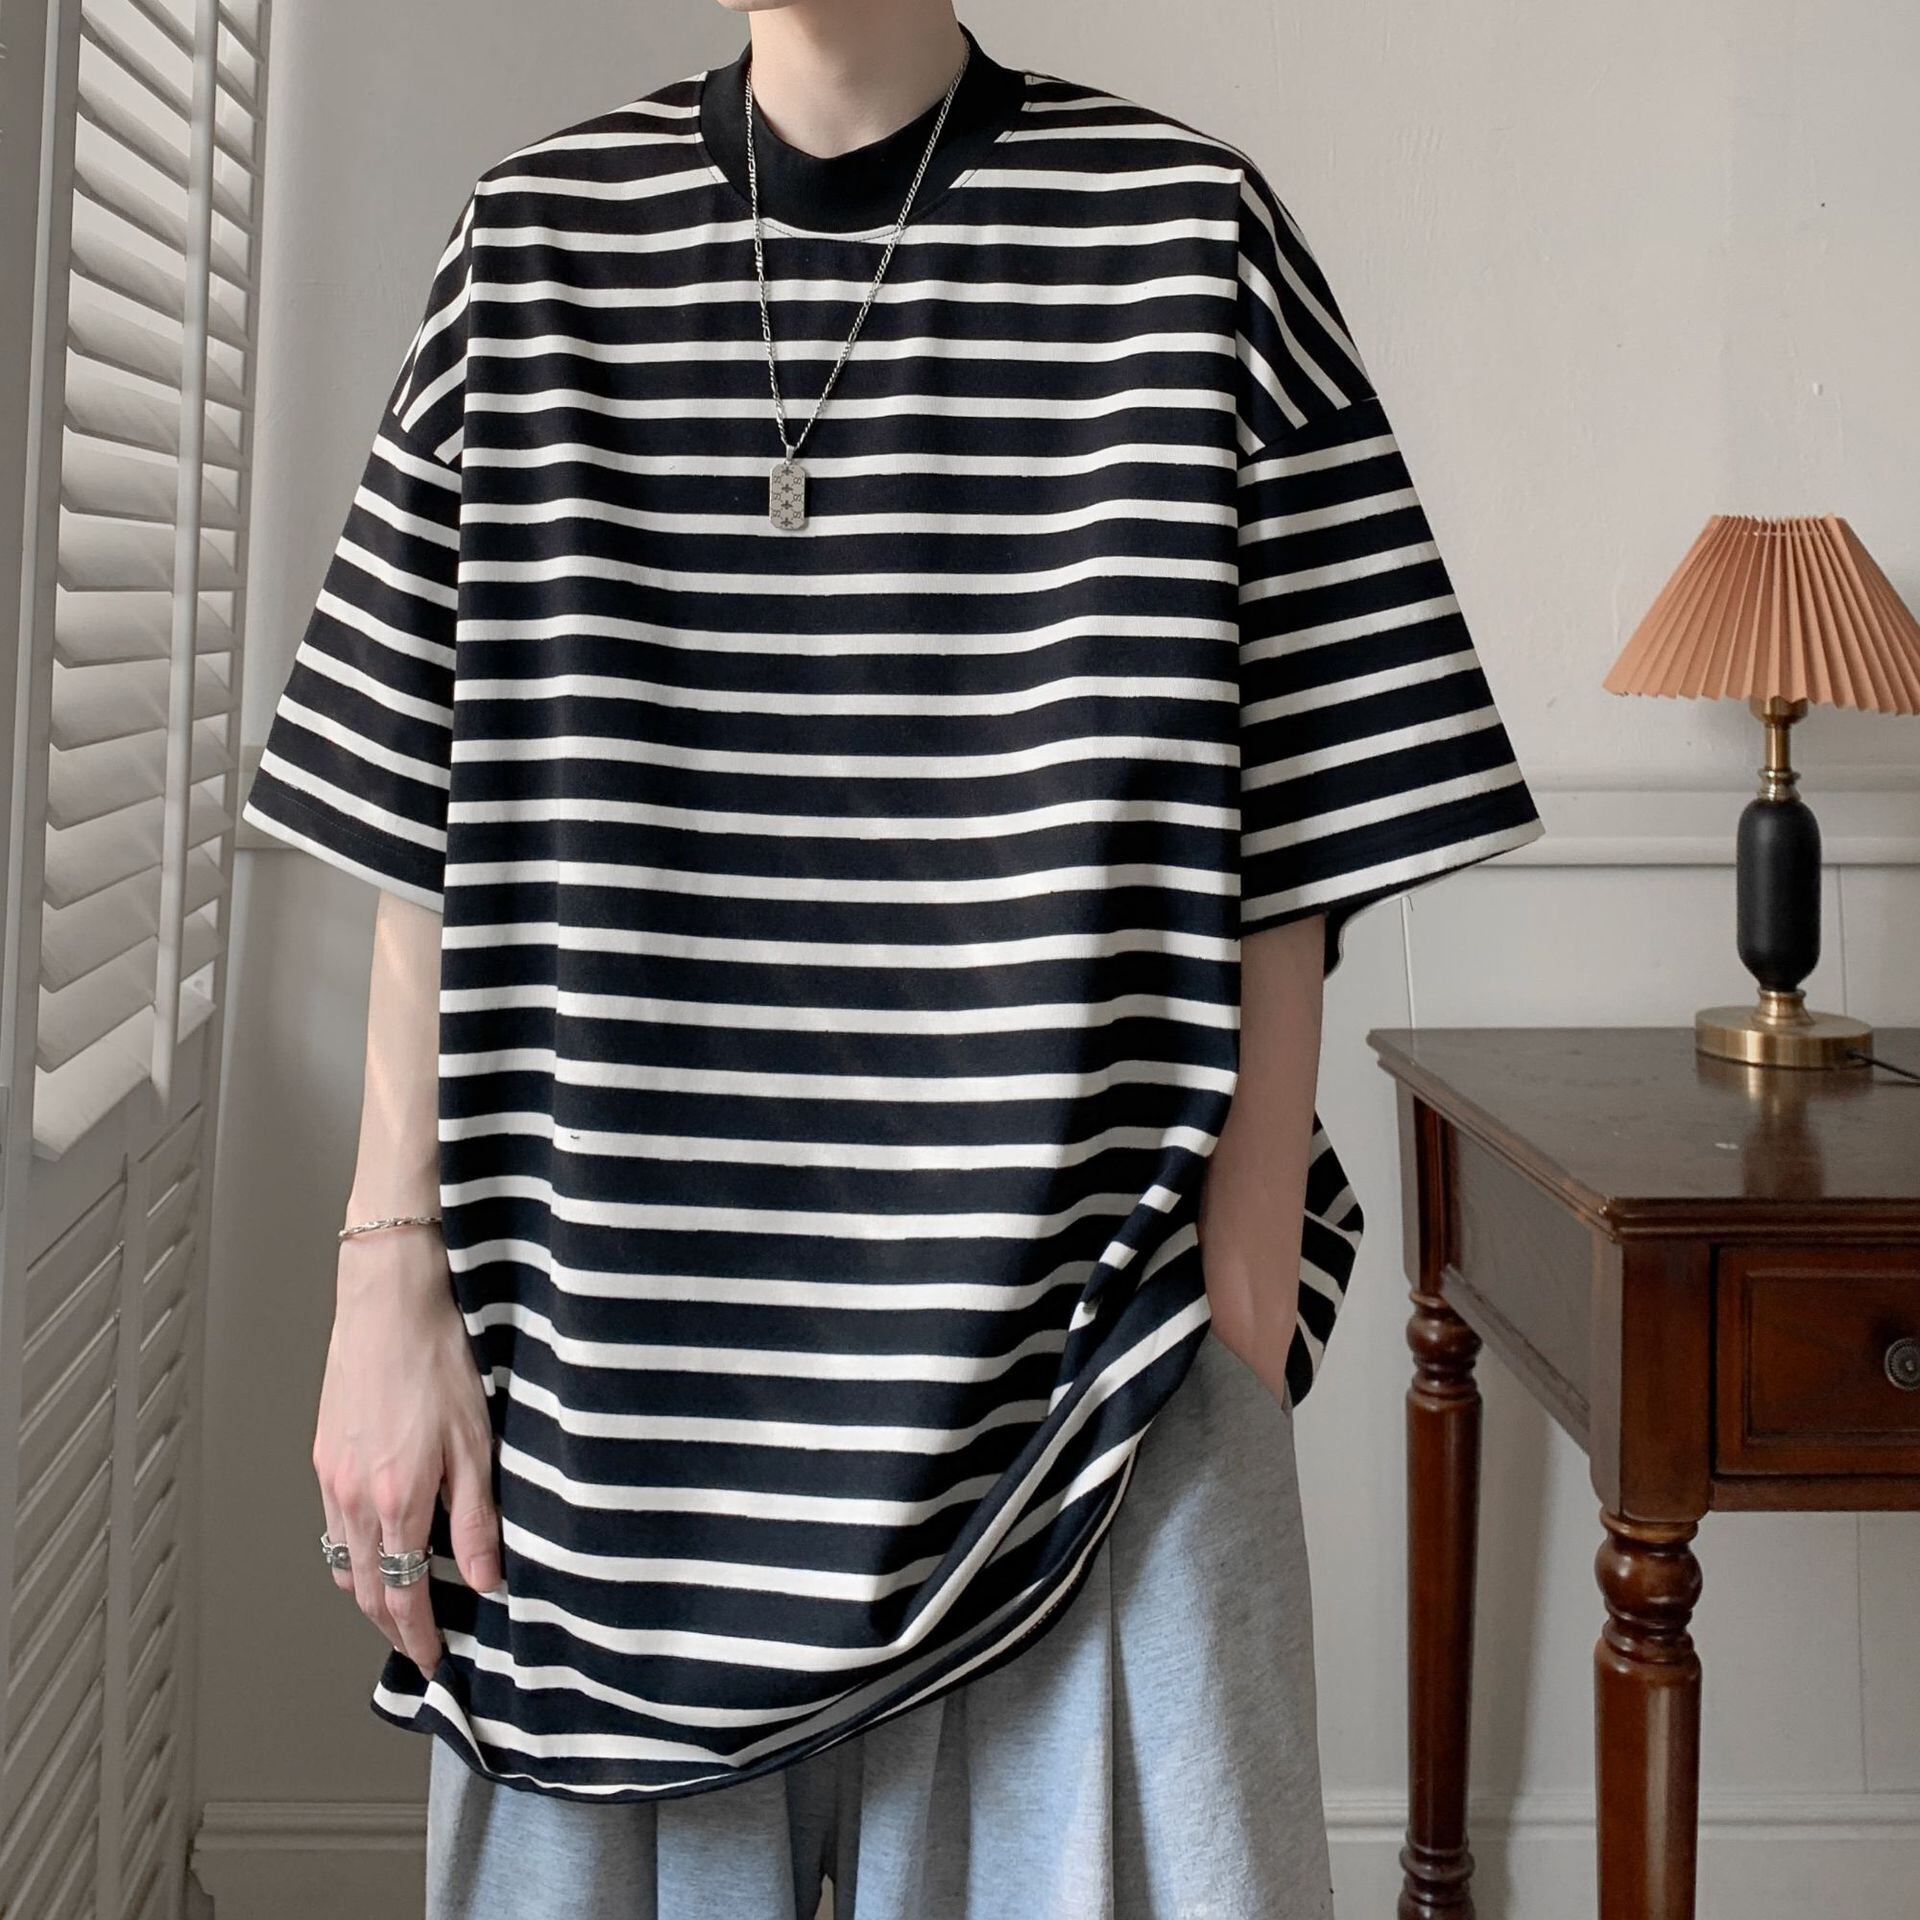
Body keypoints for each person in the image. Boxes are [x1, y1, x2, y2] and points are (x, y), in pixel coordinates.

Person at [242, 2, 1546, 1913]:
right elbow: (410, 822)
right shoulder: (530, 250)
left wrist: (1250, 1237)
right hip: (606, 1405)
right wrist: (385, 1281)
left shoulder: (1188, 239)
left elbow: (1311, 786)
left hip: (1090, 1380)